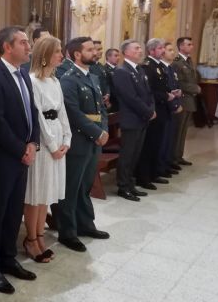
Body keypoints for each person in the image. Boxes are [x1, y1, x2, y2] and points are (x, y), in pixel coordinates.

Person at [0, 26, 40, 295]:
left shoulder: (23, 75)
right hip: (3, 158)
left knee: (14, 211)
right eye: (23, 43)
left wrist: (34, 142)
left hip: (21, 156)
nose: (29, 47)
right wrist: (21, 149)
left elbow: (32, 111)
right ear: (7, 47)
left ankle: (8, 258)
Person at [57, 37, 110, 252]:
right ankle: (67, 232)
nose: (95, 52)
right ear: (77, 54)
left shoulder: (93, 77)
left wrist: (104, 130)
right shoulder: (69, 79)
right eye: (89, 49)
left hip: (94, 140)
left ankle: (86, 224)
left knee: (85, 186)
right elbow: (72, 112)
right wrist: (96, 131)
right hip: (79, 140)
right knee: (71, 188)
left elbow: (101, 109)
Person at [24, 37, 71, 261]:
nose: (61, 55)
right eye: (57, 51)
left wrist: (67, 139)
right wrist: (53, 146)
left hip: (58, 139)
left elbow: (62, 112)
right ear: (44, 55)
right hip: (44, 144)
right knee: (36, 193)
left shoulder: (55, 81)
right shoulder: (32, 81)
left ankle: (41, 235)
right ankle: (30, 238)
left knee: (47, 193)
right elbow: (38, 117)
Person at [112, 39, 155, 202]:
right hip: (131, 118)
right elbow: (130, 97)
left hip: (142, 118)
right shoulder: (122, 71)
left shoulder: (139, 70)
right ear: (126, 52)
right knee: (127, 154)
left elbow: (148, 93)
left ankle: (130, 184)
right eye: (136, 48)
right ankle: (123, 186)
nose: (140, 51)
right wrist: (147, 111)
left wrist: (151, 109)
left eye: (140, 48)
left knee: (136, 153)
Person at [135, 38, 177, 190]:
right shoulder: (148, 66)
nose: (163, 51)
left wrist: (169, 93)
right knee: (149, 145)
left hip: (162, 110)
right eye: (160, 49)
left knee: (157, 144)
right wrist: (165, 96)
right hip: (155, 110)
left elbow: (161, 86)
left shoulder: (157, 66)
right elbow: (150, 91)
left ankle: (153, 173)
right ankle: (144, 177)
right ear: (152, 50)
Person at [171, 37, 200, 167]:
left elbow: (192, 78)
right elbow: (180, 82)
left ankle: (179, 155)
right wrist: (195, 88)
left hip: (189, 100)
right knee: (177, 131)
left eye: (192, 44)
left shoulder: (188, 61)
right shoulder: (177, 63)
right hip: (182, 99)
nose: (192, 47)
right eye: (189, 44)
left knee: (183, 131)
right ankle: (173, 158)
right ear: (181, 47)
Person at [160, 42, 183, 175]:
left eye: (173, 50)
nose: (173, 52)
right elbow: (165, 90)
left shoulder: (171, 68)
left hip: (174, 106)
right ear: (162, 53)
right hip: (167, 108)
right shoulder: (162, 68)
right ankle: (162, 165)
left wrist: (179, 94)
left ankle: (168, 162)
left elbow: (174, 86)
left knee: (171, 138)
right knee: (164, 139)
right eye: (170, 50)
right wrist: (174, 105)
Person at [89, 40, 109, 107]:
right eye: (98, 49)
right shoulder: (88, 67)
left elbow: (106, 82)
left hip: (103, 101)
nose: (101, 51)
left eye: (101, 49)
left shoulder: (101, 66)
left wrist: (107, 94)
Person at [104, 48, 120, 112]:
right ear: (108, 57)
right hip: (111, 101)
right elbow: (108, 86)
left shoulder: (118, 69)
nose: (118, 58)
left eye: (118, 56)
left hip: (119, 102)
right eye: (116, 56)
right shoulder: (105, 69)